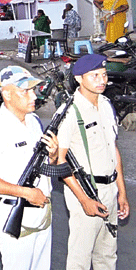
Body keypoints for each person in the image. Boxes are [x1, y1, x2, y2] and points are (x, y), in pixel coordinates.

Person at [0, 65, 60, 270]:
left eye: (33, 90)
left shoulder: (33, 122)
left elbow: (46, 166)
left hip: (41, 212)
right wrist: (24, 192)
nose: (33, 96)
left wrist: (54, 155)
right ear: (7, 94)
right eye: (25, 91)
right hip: (14, 212)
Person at [56, 54, 130, 270]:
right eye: (95, 75)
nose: (102, 80)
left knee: (107, 255)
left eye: (104, 74)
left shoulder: (106, 105)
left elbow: (113, 150)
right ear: (79, 78)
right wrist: (84, 200)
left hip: (110, 190)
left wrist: (122, 193)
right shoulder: (69, 112)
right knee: (80, 258)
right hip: (85, 192)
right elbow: (61, 163)